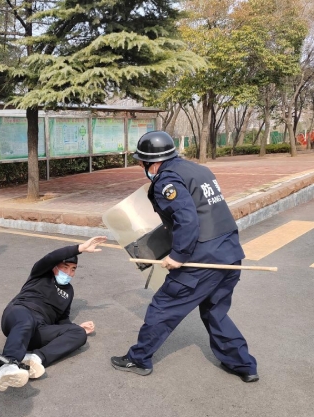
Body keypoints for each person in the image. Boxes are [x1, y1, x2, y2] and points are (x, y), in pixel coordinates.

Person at [110, 131, 258, 383]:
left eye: (141, 163)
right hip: (230, 253)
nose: (141, 167)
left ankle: (139, 358)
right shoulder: (198, 170)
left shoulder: (167, 180)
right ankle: (244, 365)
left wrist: (178, 256)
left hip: (201, 261)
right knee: (215, 312)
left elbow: (187, 220)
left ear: (152, 162)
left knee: (163, 307)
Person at [0, 236, 107, 391]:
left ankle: (33, 359)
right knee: (26, 321)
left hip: (39, 329)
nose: (69, 272)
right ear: (54, 267)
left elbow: (62, 319)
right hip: (19, 314)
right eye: (65, 267)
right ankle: (8, 364)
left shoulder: (69, 292)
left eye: (73, 269)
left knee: (79, 334)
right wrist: (79, 248)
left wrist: (76, 327)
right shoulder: (41, 274)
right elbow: (51, 257)